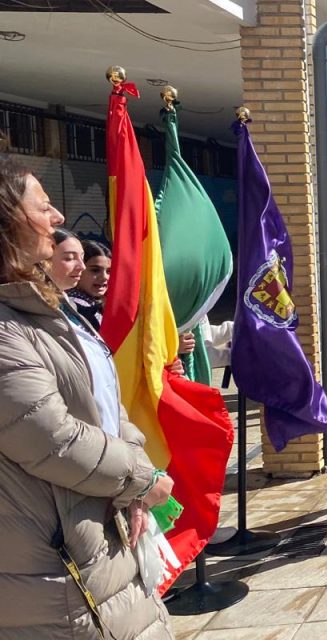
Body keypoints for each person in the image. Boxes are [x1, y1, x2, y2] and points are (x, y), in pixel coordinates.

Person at [0, 158, 176, 638]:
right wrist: (141, 478)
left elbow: (106, 404)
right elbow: (53, 438)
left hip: (93, 543)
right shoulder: (7, 328)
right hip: (52, 571)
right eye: (44, 207)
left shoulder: (47, 310)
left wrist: (134, 471)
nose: (57, 218)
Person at [68, 238, 110, 331]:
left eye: (109, 271)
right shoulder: (73, 307)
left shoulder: (96, 305)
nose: (105, 277)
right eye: (95, 270)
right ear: (78, 269)